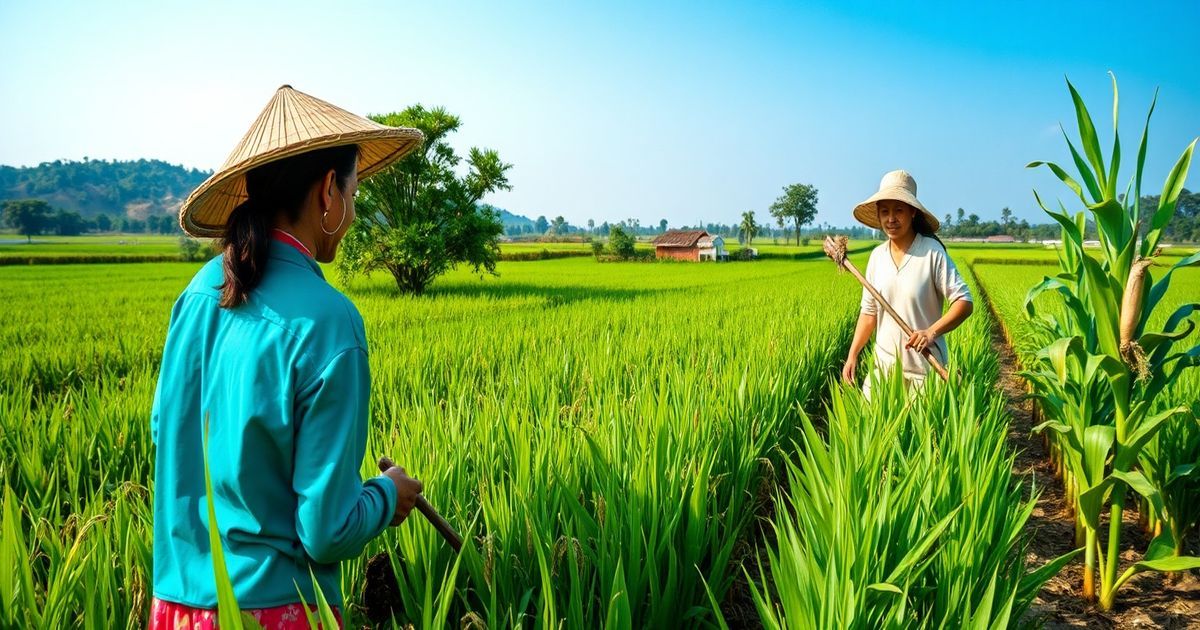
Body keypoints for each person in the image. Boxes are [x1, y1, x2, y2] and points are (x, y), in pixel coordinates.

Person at [150, 85, 425, 629]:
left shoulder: (198, 294)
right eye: (353, 194)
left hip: (177, 607)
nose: (351, 213)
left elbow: (167, 435)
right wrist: (384, 495)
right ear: (328, 191)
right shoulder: (329, 321)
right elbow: (327, 530)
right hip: (276, 611)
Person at [841, 170, 973, 398]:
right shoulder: (877, 257)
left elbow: (964, 302)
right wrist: (853, 354)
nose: (891, 218)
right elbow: (869, 312)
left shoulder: (931, 253)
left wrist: (931, 332)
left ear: (912, 212)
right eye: (885, 212)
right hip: (884, 371)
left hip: (925, 372)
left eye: (898, 210)